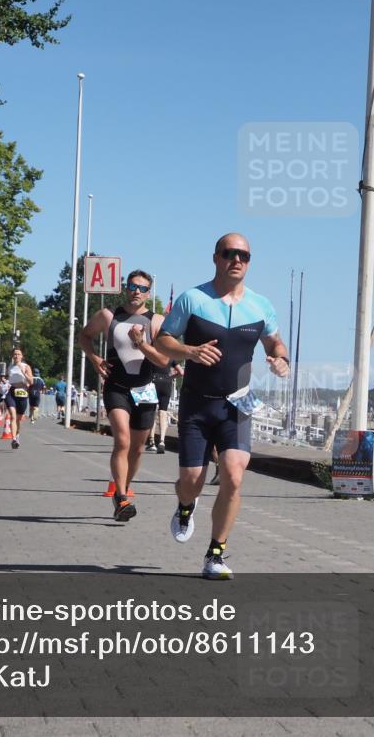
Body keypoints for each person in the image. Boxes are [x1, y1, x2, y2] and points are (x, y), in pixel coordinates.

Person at [155, 233, 289, 579]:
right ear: (216, 257)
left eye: (243, 255)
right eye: (229, 253)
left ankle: (216, 554)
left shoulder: (261, 305)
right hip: (197, 403)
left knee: (233, 474)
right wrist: (190, 352)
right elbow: (163, 340)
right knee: (191, 480)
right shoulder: (192, 299)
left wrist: (280, 360)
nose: (237, 260)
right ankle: (186, 506)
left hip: (238, 404)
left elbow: (275, 343)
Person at [80, 269, 169, 522]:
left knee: (138, 449)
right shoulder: (108, 316)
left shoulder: (156, 321)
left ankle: (123, 489)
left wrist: (141, 343)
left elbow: (163, 359)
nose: (136, 291)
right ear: (125, 287)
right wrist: (94, 357)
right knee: (122, 441)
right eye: (132, 286)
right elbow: (85, 336)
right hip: (116, 387)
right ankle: (121, 496)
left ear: (148, 293)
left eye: (142, 288)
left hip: (144, 390)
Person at [147, 360, 183, 453]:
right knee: (163, 412)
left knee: (152, 411)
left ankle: (152, 442)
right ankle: (162, 441)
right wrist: (170, 377)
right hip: (166, 383)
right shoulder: (170, 356)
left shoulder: (152, 354)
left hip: (153, 382)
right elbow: (181, 372)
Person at [4, 349, 34, 449]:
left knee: (18, 419)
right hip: (12, 392)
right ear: (13, 356)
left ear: (22, 356)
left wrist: (24, 373)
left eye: (18, 354)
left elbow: (31, 381)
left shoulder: (26, 366)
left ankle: (17, 435)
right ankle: (13, 439)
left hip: (23, 392)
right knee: (12, 416)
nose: (16, 356)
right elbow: (9, 378)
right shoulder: (10, 367)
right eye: (15, 354)